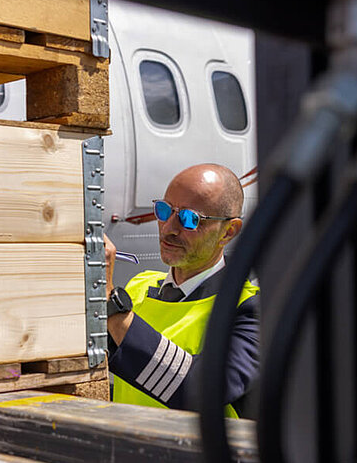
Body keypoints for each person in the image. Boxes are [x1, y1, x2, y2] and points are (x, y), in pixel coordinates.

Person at [103, 163, 260, 417]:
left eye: (189, 219)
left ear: (228, 232)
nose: (168, 228)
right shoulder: (139, 286)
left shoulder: (250, 310)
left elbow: (199, 390)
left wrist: (112, 305)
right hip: (125, 452)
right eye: (164, 211)